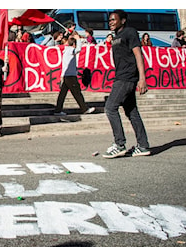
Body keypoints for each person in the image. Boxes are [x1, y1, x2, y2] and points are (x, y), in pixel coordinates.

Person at [103, 9, 150, 159]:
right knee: (132, 111)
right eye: (109, 20)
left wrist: (142, 78)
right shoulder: (117, 36)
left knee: (110, 108)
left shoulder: (130, 32)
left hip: (126, 77)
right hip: (122, 75)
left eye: (113, 19)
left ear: (123, 21)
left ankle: (119, 144)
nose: (110, 22)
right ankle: (143, 146)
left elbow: (138, 54)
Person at [54, 33, 95, 116]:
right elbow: (78, 49)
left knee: (62, 94)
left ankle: (58, 110)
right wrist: (78, 39)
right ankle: (84, 108)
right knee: (77, 92)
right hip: (70, 76)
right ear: (73, 44)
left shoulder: (66, 51)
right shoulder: (70, 50)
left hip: (67, 75)